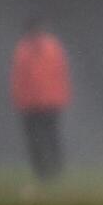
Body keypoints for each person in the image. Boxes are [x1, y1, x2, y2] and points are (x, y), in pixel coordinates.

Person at [10, 17, 71, 182]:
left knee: (50, 137)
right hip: (32, 103)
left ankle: (55, 169)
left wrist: (62, 96)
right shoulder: (26, 50)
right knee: (37, 140)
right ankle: (43, 172)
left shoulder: (49, 48)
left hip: (48, 101)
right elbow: (18, 78)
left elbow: (61, 74)